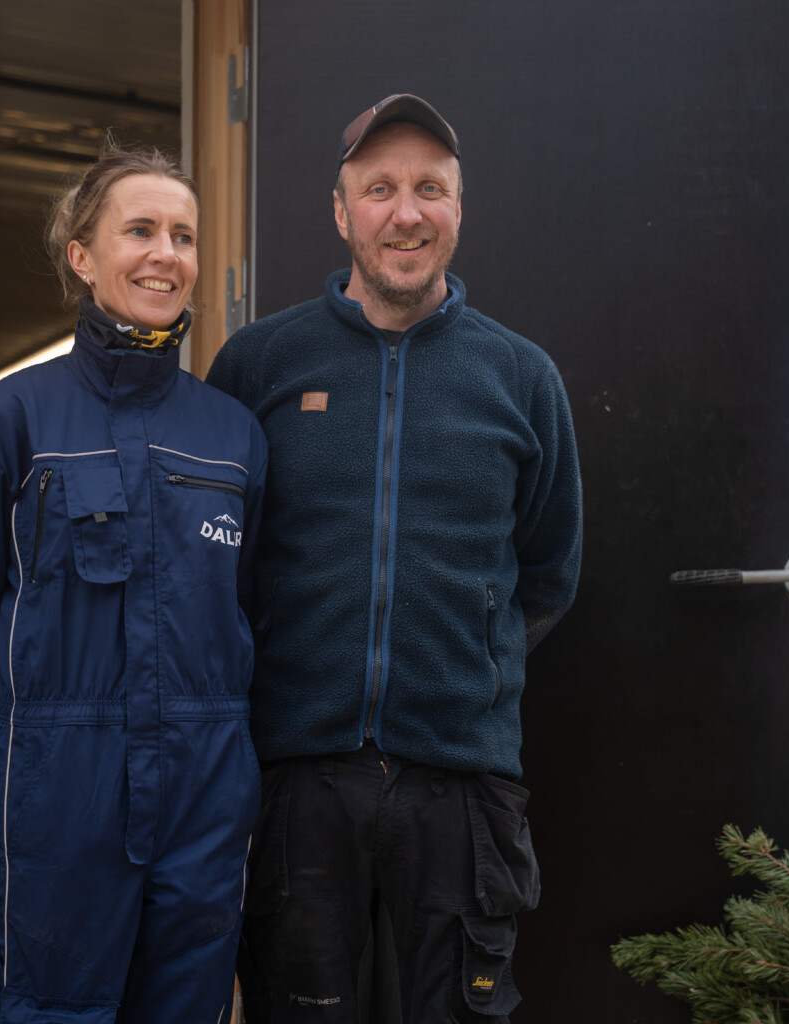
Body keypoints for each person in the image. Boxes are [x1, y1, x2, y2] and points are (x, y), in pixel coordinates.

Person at [205, 94, 582, 1023]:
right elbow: (221, 572)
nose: (405, 212)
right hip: (297, 784)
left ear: (459, 208)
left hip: (459, 790)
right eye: (379, 189)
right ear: (342, 213)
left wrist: (465, 668)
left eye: (430, 189)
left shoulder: (522, 379)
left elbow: (548, 570)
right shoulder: (259, 365)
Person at [0, 142, 267, 1024]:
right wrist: (21, 762)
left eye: (185, 236)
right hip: (52, 786)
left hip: (204, 788)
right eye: (141, 230)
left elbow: (251, 613)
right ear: (81, 256)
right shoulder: (5, 422)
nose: (167, 254)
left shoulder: (231, 434)